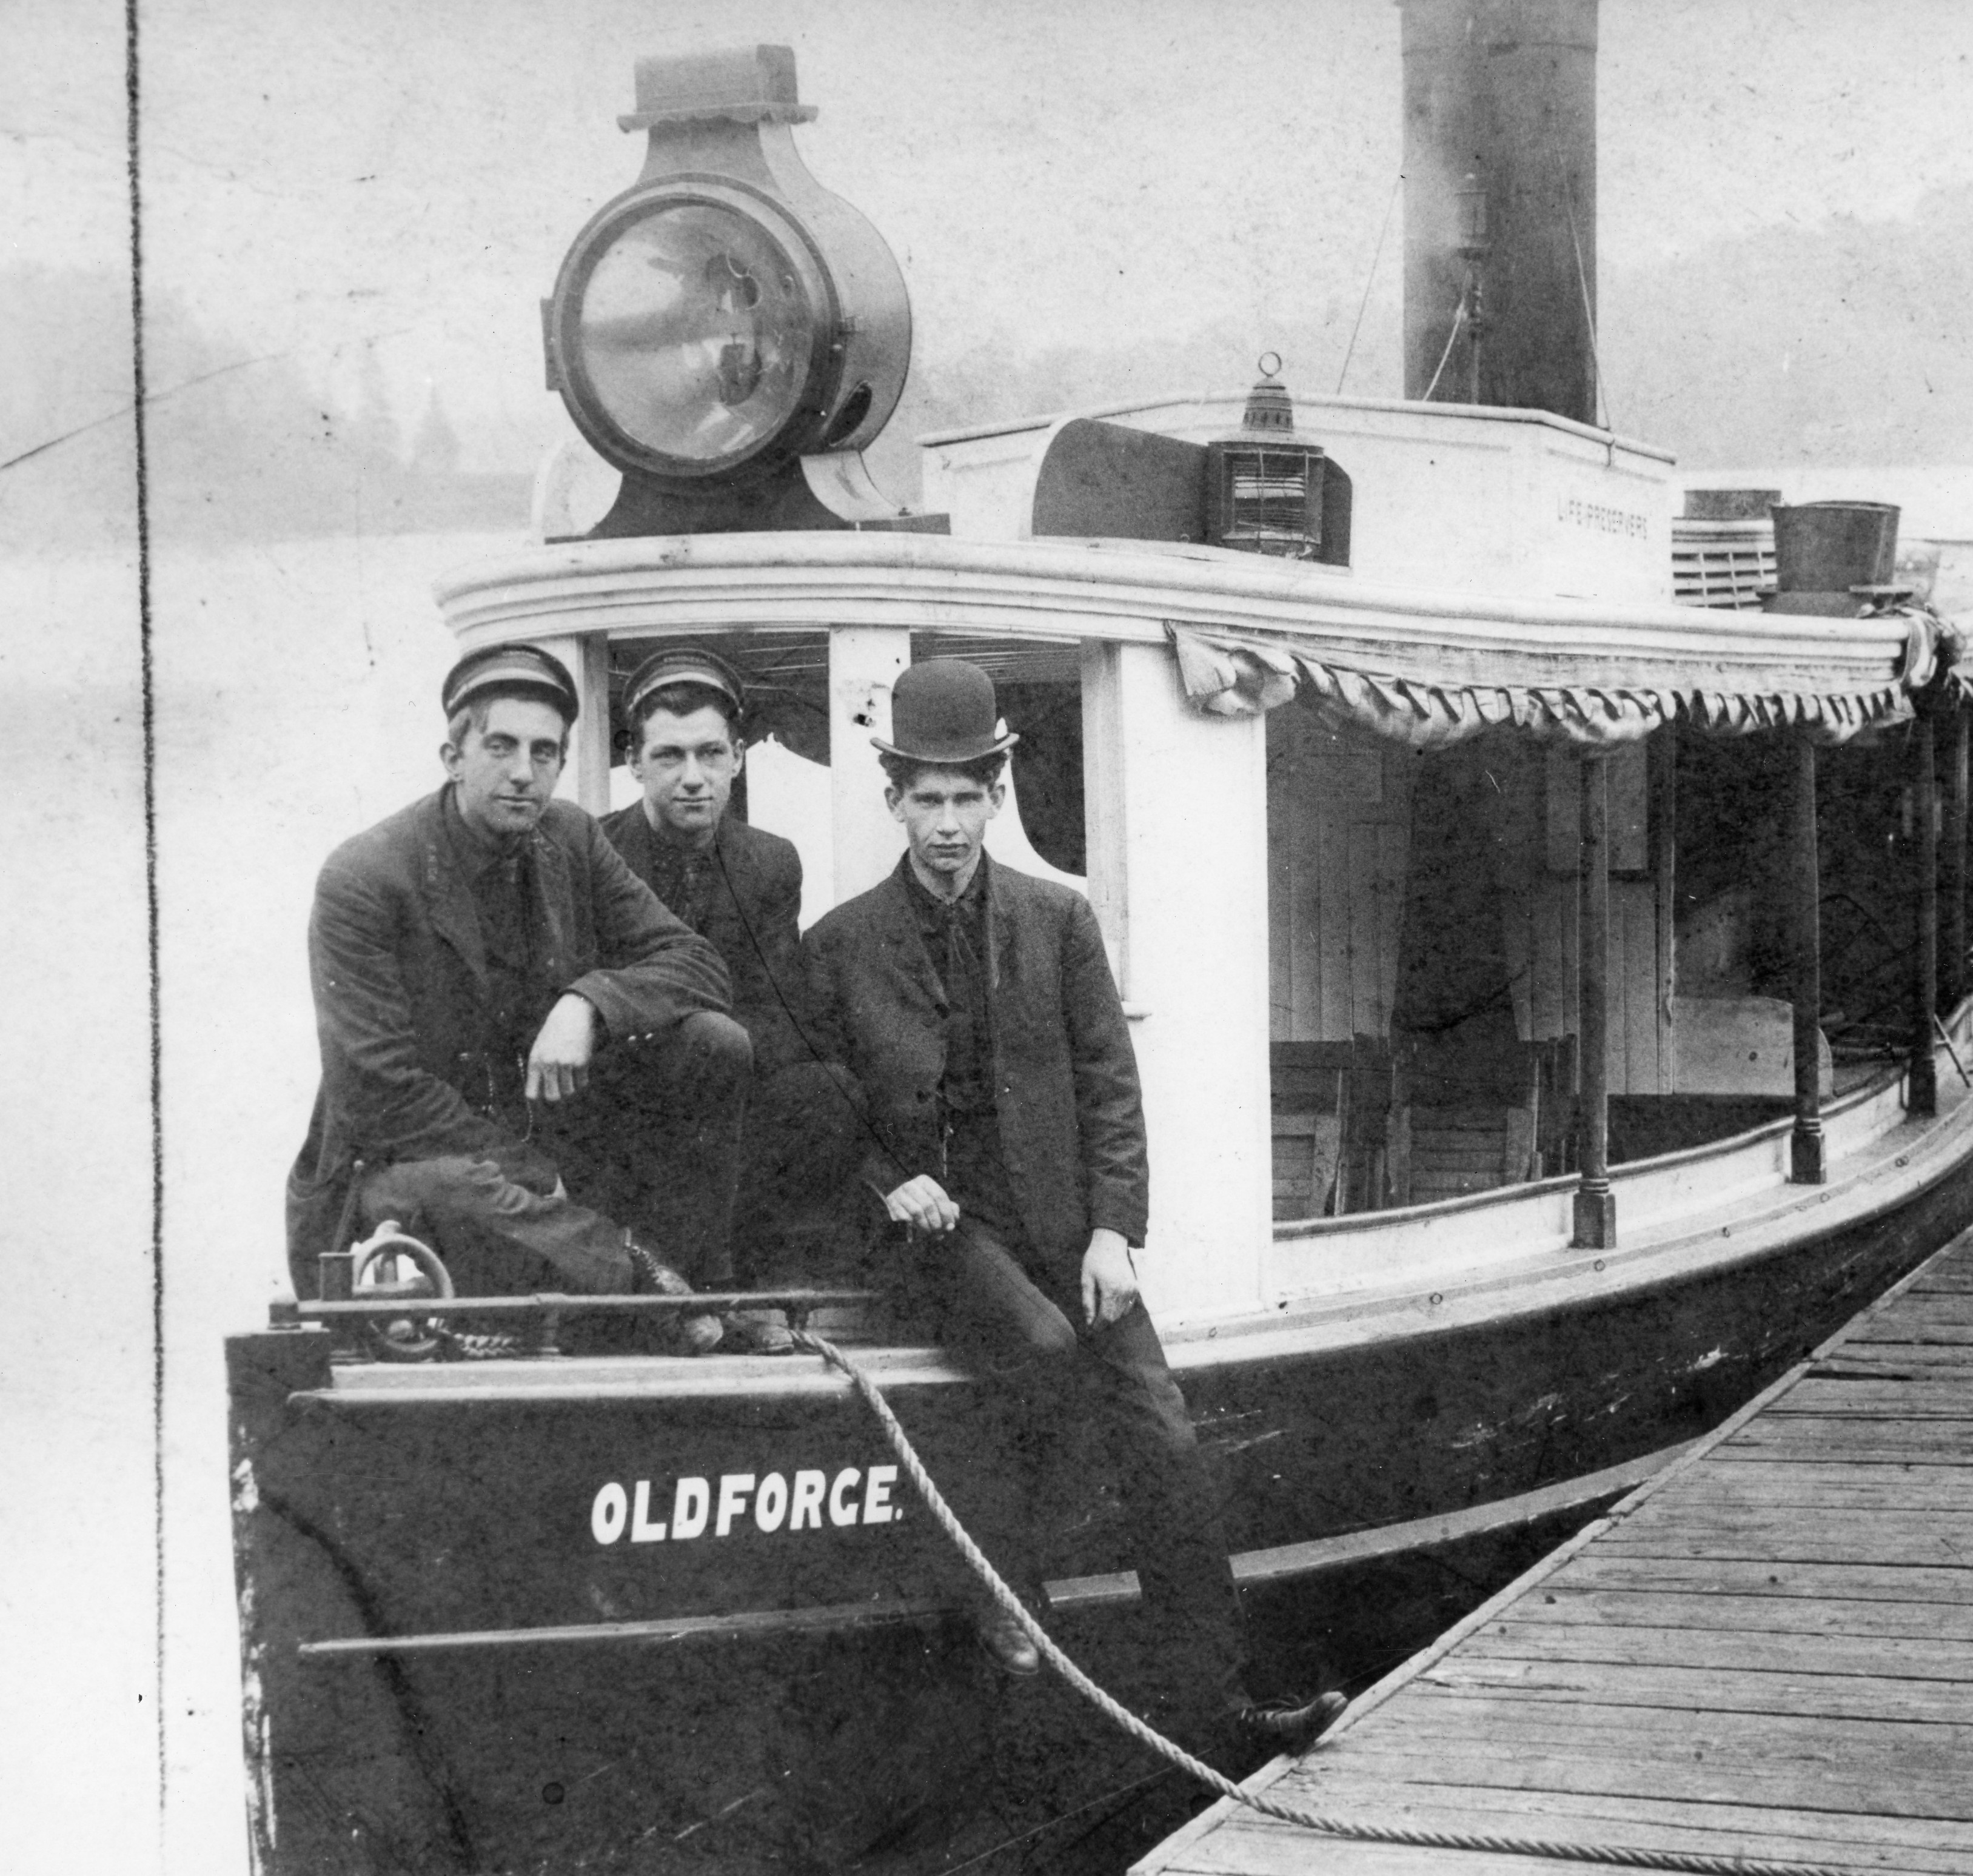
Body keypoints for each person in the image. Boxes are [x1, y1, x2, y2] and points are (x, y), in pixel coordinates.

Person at [802, 657, 1343, 1756]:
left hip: (1065, 1229)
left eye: (968, 795)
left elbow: (1110, 1084)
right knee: (1045, 1354)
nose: (948, 822)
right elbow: (820, 1111)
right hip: (940, 1235)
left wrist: (1113, 1230)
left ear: (999, 792)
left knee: (1166, 1443)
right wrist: (884, 1180)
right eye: (928, 797)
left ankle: (1215, 1705)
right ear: (893, 797)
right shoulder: (840, 944)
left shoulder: (1057, 919)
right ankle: (1028, 1638)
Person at [284, 642, 749, 1355]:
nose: (523, 772)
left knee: (715, 1041)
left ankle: (675, 1273)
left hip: (544, 1152)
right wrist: (538, 1175)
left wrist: (589, 1002)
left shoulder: (569, 837)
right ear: (454, 755)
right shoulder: (366, 877)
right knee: (450, 1190)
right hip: (408, 1165)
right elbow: (378, 1093)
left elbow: (695, 962)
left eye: (545, 751)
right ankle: (642, 1280)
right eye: (501, 746)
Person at [601, 647, 866, 1355]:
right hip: (626, 1088)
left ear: (739, 757)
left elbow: (777, 1001)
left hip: (729, 1070)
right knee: (715, 1049)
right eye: (670, 757)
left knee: (827, 1090)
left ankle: (765, 1274)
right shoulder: (595, 852)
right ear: (635, 762)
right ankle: (686, 1281)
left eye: (712, 754)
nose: (694, 778)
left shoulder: (769, 861)